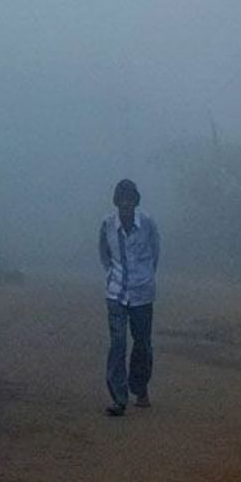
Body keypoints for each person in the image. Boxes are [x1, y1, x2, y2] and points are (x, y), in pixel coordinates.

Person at [98, 179, 160, 417]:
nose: (126, 205)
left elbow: (156, 252)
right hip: (116, 293)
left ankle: (139, 387)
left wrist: (144, 276)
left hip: (142, 292)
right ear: (116, 202)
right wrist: (112, 275)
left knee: (142, 343)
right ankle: (119, 397)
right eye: (122, 201)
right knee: (118, 343)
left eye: (130, 201)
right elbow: (104, 253)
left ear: (135, 202)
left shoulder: (147, 224)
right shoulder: (107, 225)